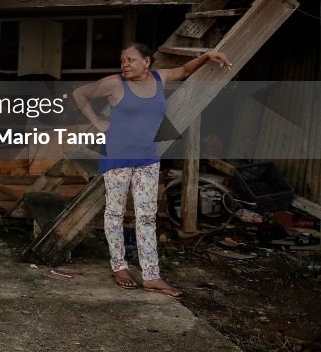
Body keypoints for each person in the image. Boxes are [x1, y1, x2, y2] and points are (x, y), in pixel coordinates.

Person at [73, 43, 232, 299]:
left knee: (146, 216)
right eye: (122, 59)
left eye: (131, 60)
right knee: (115, 213)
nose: (125, 63)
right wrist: (98, 122)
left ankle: (151, 275)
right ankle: (120, 267)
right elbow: (80, 93)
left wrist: (205, 56)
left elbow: (182, 70)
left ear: (147, 62)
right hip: (117, 157)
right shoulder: (114, 83)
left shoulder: (160, 78)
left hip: (148, 158)